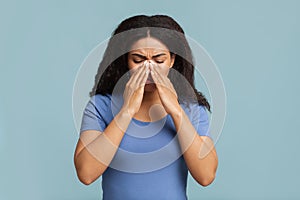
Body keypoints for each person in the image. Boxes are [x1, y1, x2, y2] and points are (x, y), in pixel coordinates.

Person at [74, 15, 218, 200]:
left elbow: (206, 176)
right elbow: (86, 173)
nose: (149, 69)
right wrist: (127, 111)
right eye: (138, 59)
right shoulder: (100, 106)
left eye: (159, 60)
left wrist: (175, 111)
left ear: (172, 60)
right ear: (126, 60)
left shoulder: (192, 109)